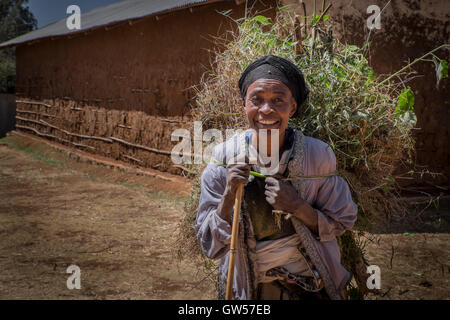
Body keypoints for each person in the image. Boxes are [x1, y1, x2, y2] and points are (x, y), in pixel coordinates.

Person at [195, 55, 358, 300]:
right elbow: (208, 242)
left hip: (310, 284)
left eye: (278, 100)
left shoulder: (317, 156)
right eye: (256, 100)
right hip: (247, 290)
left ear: (292, 107)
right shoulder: (223, 158)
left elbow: (342, 221)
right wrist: (229, 193)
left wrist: (298, 206)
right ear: (244, 104)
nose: (266, 110)